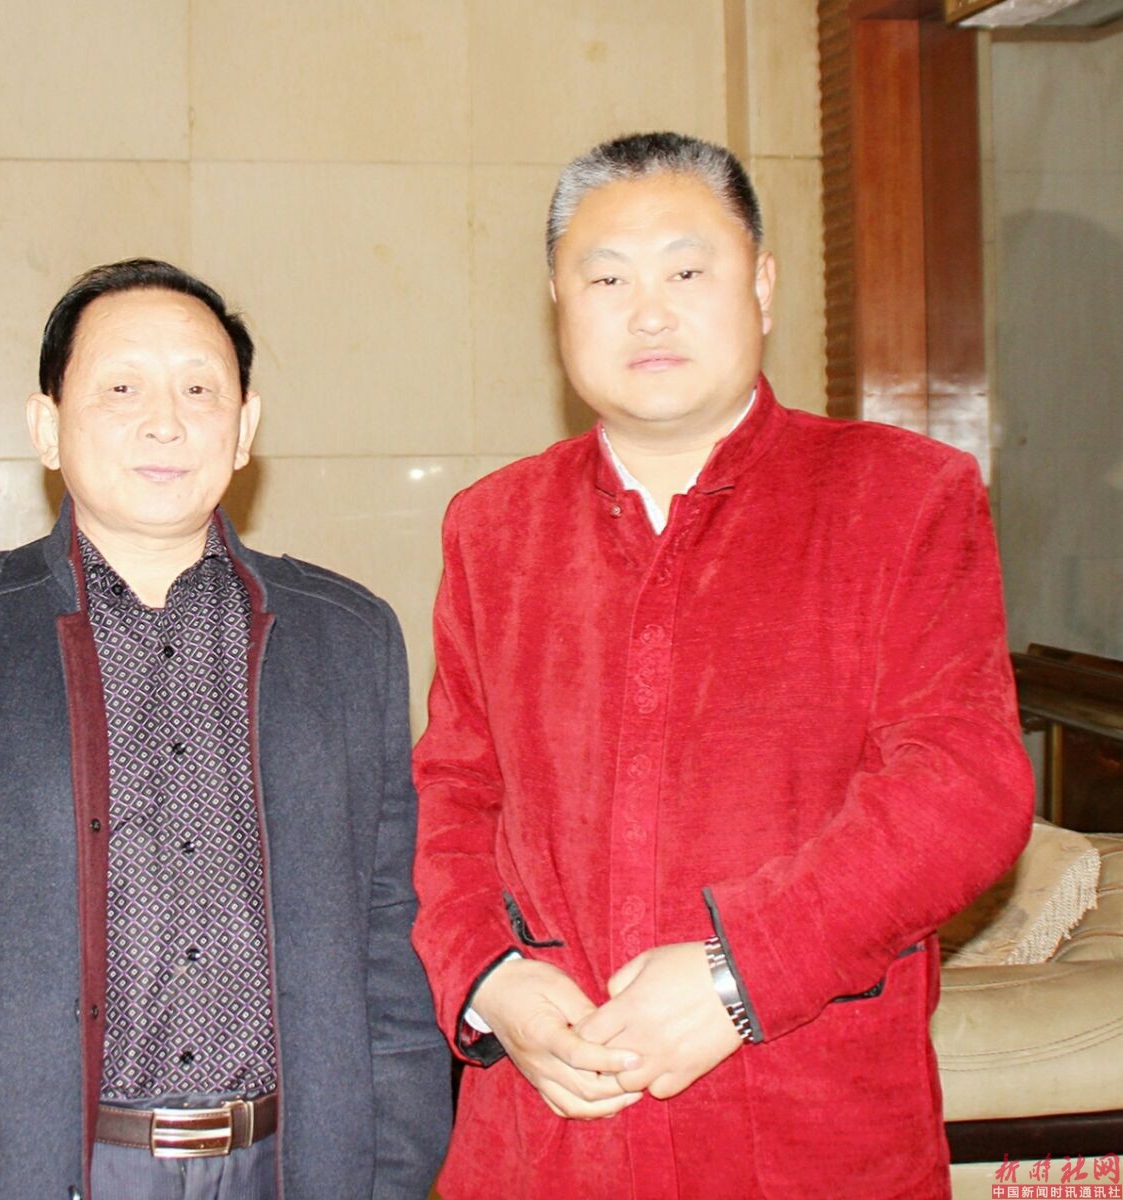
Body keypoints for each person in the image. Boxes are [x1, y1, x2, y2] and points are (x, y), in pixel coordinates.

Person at [410, 132, 1035, 1199]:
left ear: (763, 285)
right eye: (606, 279)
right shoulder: (495, 527)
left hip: (808, 1132)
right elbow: (454, 793)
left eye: (688, 272)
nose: (648, 313)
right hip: (546, 1137)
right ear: (557, 304)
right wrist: (490, 979)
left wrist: (736, 974)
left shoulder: (901, 496)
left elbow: (962, 787)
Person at [0, 258, 451, 1200]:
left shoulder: (347, 639)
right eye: (119, 388)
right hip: (29, 1168)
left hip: (291, 1165)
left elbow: (392, 931)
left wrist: (394, 1167)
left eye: (199, 389)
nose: (165, 421)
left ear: (245, 429)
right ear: (46, 426)